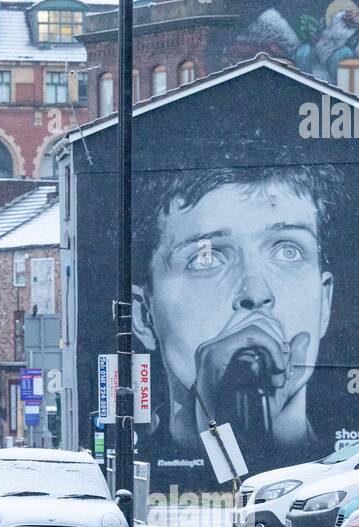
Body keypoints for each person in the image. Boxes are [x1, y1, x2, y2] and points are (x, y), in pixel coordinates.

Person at [132, 164, 343, 478]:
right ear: (144, 316)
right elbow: (233, 482)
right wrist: (219, 417)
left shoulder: (349, 470)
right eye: (207, 257)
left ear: (324, 303)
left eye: (288, 251)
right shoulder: (139, 471)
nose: (255, 294)